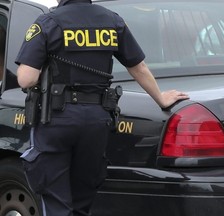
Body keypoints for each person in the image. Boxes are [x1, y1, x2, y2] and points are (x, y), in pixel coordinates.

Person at [16, 0, 189, 215]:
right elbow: (138, 67)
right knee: (83, 201)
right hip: (97, 119)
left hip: (57, 120)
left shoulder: (48, 22)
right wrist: (160, 99)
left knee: (56, 201)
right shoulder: (112, 20)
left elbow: (26, 79)